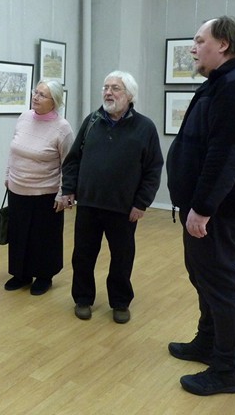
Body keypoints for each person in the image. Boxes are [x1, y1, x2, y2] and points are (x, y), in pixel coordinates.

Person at [166, 16, 235, 396]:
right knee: (203, 276)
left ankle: (226, 369)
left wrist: (204, 207)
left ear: (223, 44)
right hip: (206, 207)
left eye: (199, 40)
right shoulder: (221, 83)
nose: (193, 48)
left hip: (219, 212)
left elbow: (227, 156)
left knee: (221, 285)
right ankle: (207, 342)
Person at [60, 70, 163, 324]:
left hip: (124, 208)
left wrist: (142, 203)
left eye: (115, 88)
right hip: (89, 203)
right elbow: (73, 160)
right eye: (106, 87)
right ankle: (83, 298)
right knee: (83, 255)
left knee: (122, 258)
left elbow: (153, 169)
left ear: (130, 95)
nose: (108, 92)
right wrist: (69, 189)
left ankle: (120, 302)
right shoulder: (92, 121)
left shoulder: (145, 127)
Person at [4, 79, 74, 295]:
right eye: (35, 92)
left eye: (42, 95)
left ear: (55, 101)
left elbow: (69, 164)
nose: (35, 97)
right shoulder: (24, 118)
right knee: (18, 234)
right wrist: (7, 175)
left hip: (46, 193)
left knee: (43, 238)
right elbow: (14, 150)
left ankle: (44, 276)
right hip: (17, 188)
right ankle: (21, 274)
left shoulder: (63, 128)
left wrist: (63, 193)